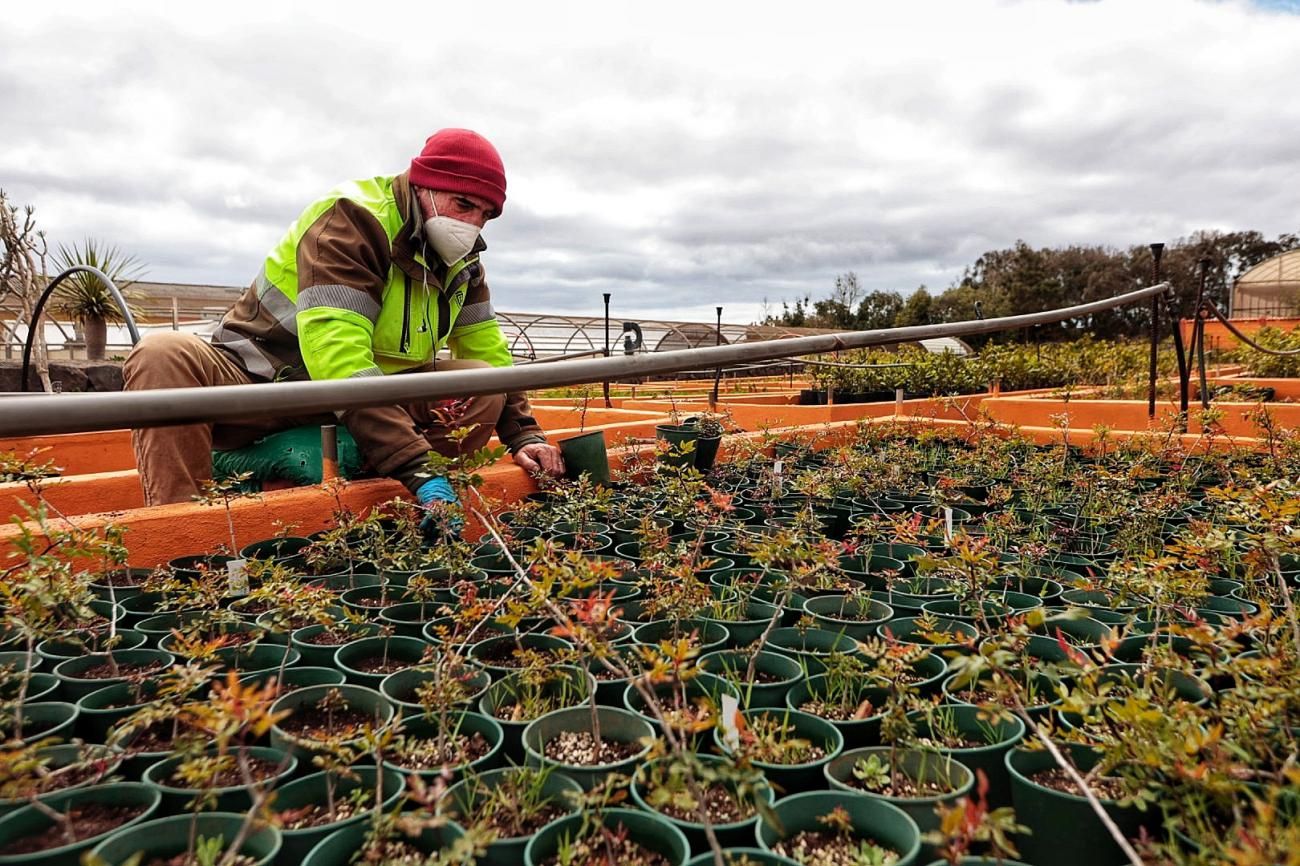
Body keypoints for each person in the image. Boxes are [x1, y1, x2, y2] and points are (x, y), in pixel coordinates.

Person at [124, 128, 565, 514]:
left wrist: (525, 436)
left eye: (485, 215)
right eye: (463, 204)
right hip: (261, 386)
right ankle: (182, 533)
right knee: (162, 354)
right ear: (422, 186)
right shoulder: (353, 221)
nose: (471, 224)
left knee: (480, 386)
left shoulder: (462, 263)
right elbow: (338, 354)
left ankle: (373, 495)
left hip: (360, 404)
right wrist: (417, 466)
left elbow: (487, 349)